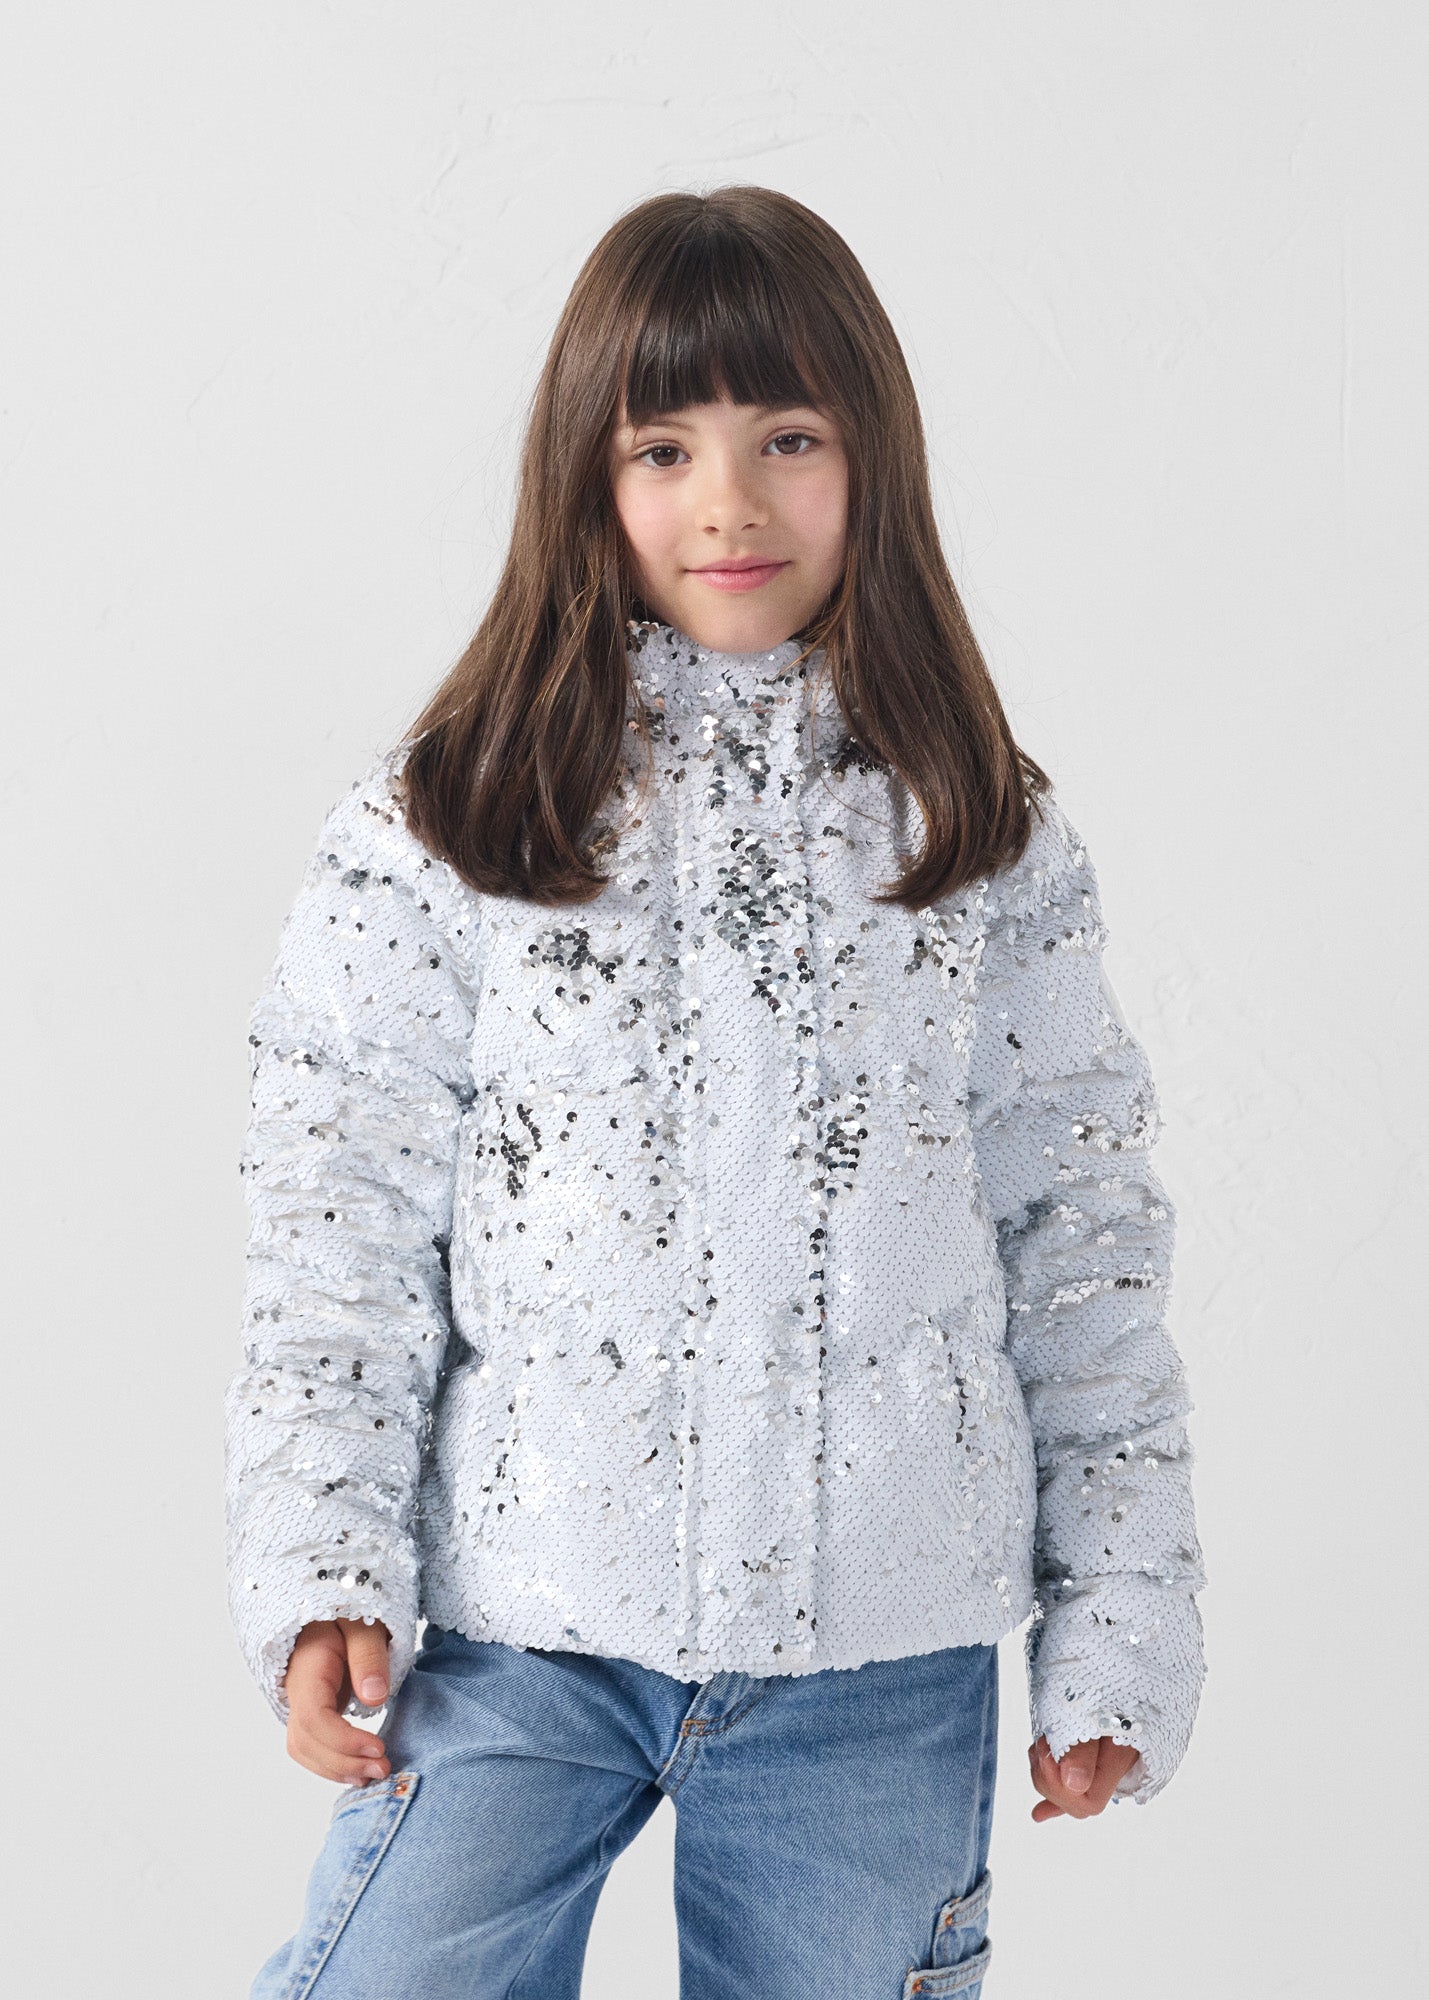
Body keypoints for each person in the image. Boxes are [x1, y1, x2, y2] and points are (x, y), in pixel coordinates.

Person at [227, 185, 1206, 2000]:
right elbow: (336, 1220)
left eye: (789, 439)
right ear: (583, 477)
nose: (729, 503)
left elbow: (1079, 1235)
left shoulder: (973, 829)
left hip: (879, 1654)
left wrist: (1118, 1616)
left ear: (872, 457)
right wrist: (322, 1560)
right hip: (524, 1623)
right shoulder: (451, 821)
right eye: (662, 448)